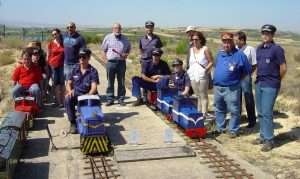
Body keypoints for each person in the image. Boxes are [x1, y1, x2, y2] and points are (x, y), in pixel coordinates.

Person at [252, 24, 287, 152]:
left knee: (267, 113)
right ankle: (262, 136)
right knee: (260, 112)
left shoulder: (277, 49)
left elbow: (283, 68)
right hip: (259, 83)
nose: (265, 35)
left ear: (272, 35)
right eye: (263, 33)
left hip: (271, 85)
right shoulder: (259, 48)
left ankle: (269, 140)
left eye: (268, 33)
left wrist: (277, 81)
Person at [213, 32, 251, 138]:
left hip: (232, 88)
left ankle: (233, 130)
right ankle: (220, 128)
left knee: (234, 110)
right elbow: (216, 66)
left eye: (228, 41)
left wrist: (237, 80)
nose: (226, 44)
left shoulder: (240, 55)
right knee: (219, 108)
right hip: (218, 87)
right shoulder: (220, 54)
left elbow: (247, 71)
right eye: (224, 42)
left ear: (233, 41)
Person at [65, 48, 99, 134]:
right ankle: (72, 122)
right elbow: (68, 83)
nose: (81, 59)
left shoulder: (93, 71)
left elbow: (94, 87)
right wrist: (69, 91)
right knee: (67, 98)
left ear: (88, 58)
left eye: (84, 57)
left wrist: (88, 96)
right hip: (76, 93)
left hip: (87, 94)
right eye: (80, 57)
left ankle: (87, 120)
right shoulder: (74, 68)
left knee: (87, 118)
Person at [100, 23, 131, 106]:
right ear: (112, 29)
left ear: (121, 29)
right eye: (115, 28)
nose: (117, 30)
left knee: (121, 82)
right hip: (111, 63)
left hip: (121, 63)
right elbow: (103, 50)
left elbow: (128, 48)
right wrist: (105, 61)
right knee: (110, 82)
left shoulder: (125, 38)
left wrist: (126, 54)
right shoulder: (108, 37)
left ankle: (121, 99)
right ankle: (110, 99)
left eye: (119, 28)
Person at [187, 31, 213, 117]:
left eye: (196, 39)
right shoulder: (191, 50)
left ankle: (204, 114)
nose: (194, 41)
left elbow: (211, 62)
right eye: (193, 39)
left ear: (201, 40)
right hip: (193, 75)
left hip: (202, 75)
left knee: (203, 95)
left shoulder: (205, 49)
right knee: (197, 95)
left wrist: (205, 70)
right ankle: (199, 113)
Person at [139, 21, 163, 102]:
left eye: (151, 27)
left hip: (154, 62)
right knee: (144, 79)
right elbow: (141, 49)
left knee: (153, 79)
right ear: (145, 28)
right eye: (147, 27)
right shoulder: (142, 39)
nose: (149, 29)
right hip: (145, 62)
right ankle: (144, 97)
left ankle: (154, 98)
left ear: (153, 28)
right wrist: (141, 58)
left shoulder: (157, 39)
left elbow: (160, 49)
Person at [48, 28, 65, 107]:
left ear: (59, 33)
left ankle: (63, 100)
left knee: (62, 83)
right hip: (53, 65)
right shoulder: (51, 43)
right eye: (53, 34)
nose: (54, 36)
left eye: (55, 34)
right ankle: (57, 101)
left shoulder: (63, 43)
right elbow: (48, 55)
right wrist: (48, 65)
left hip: (62, 65)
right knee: (55, 83)